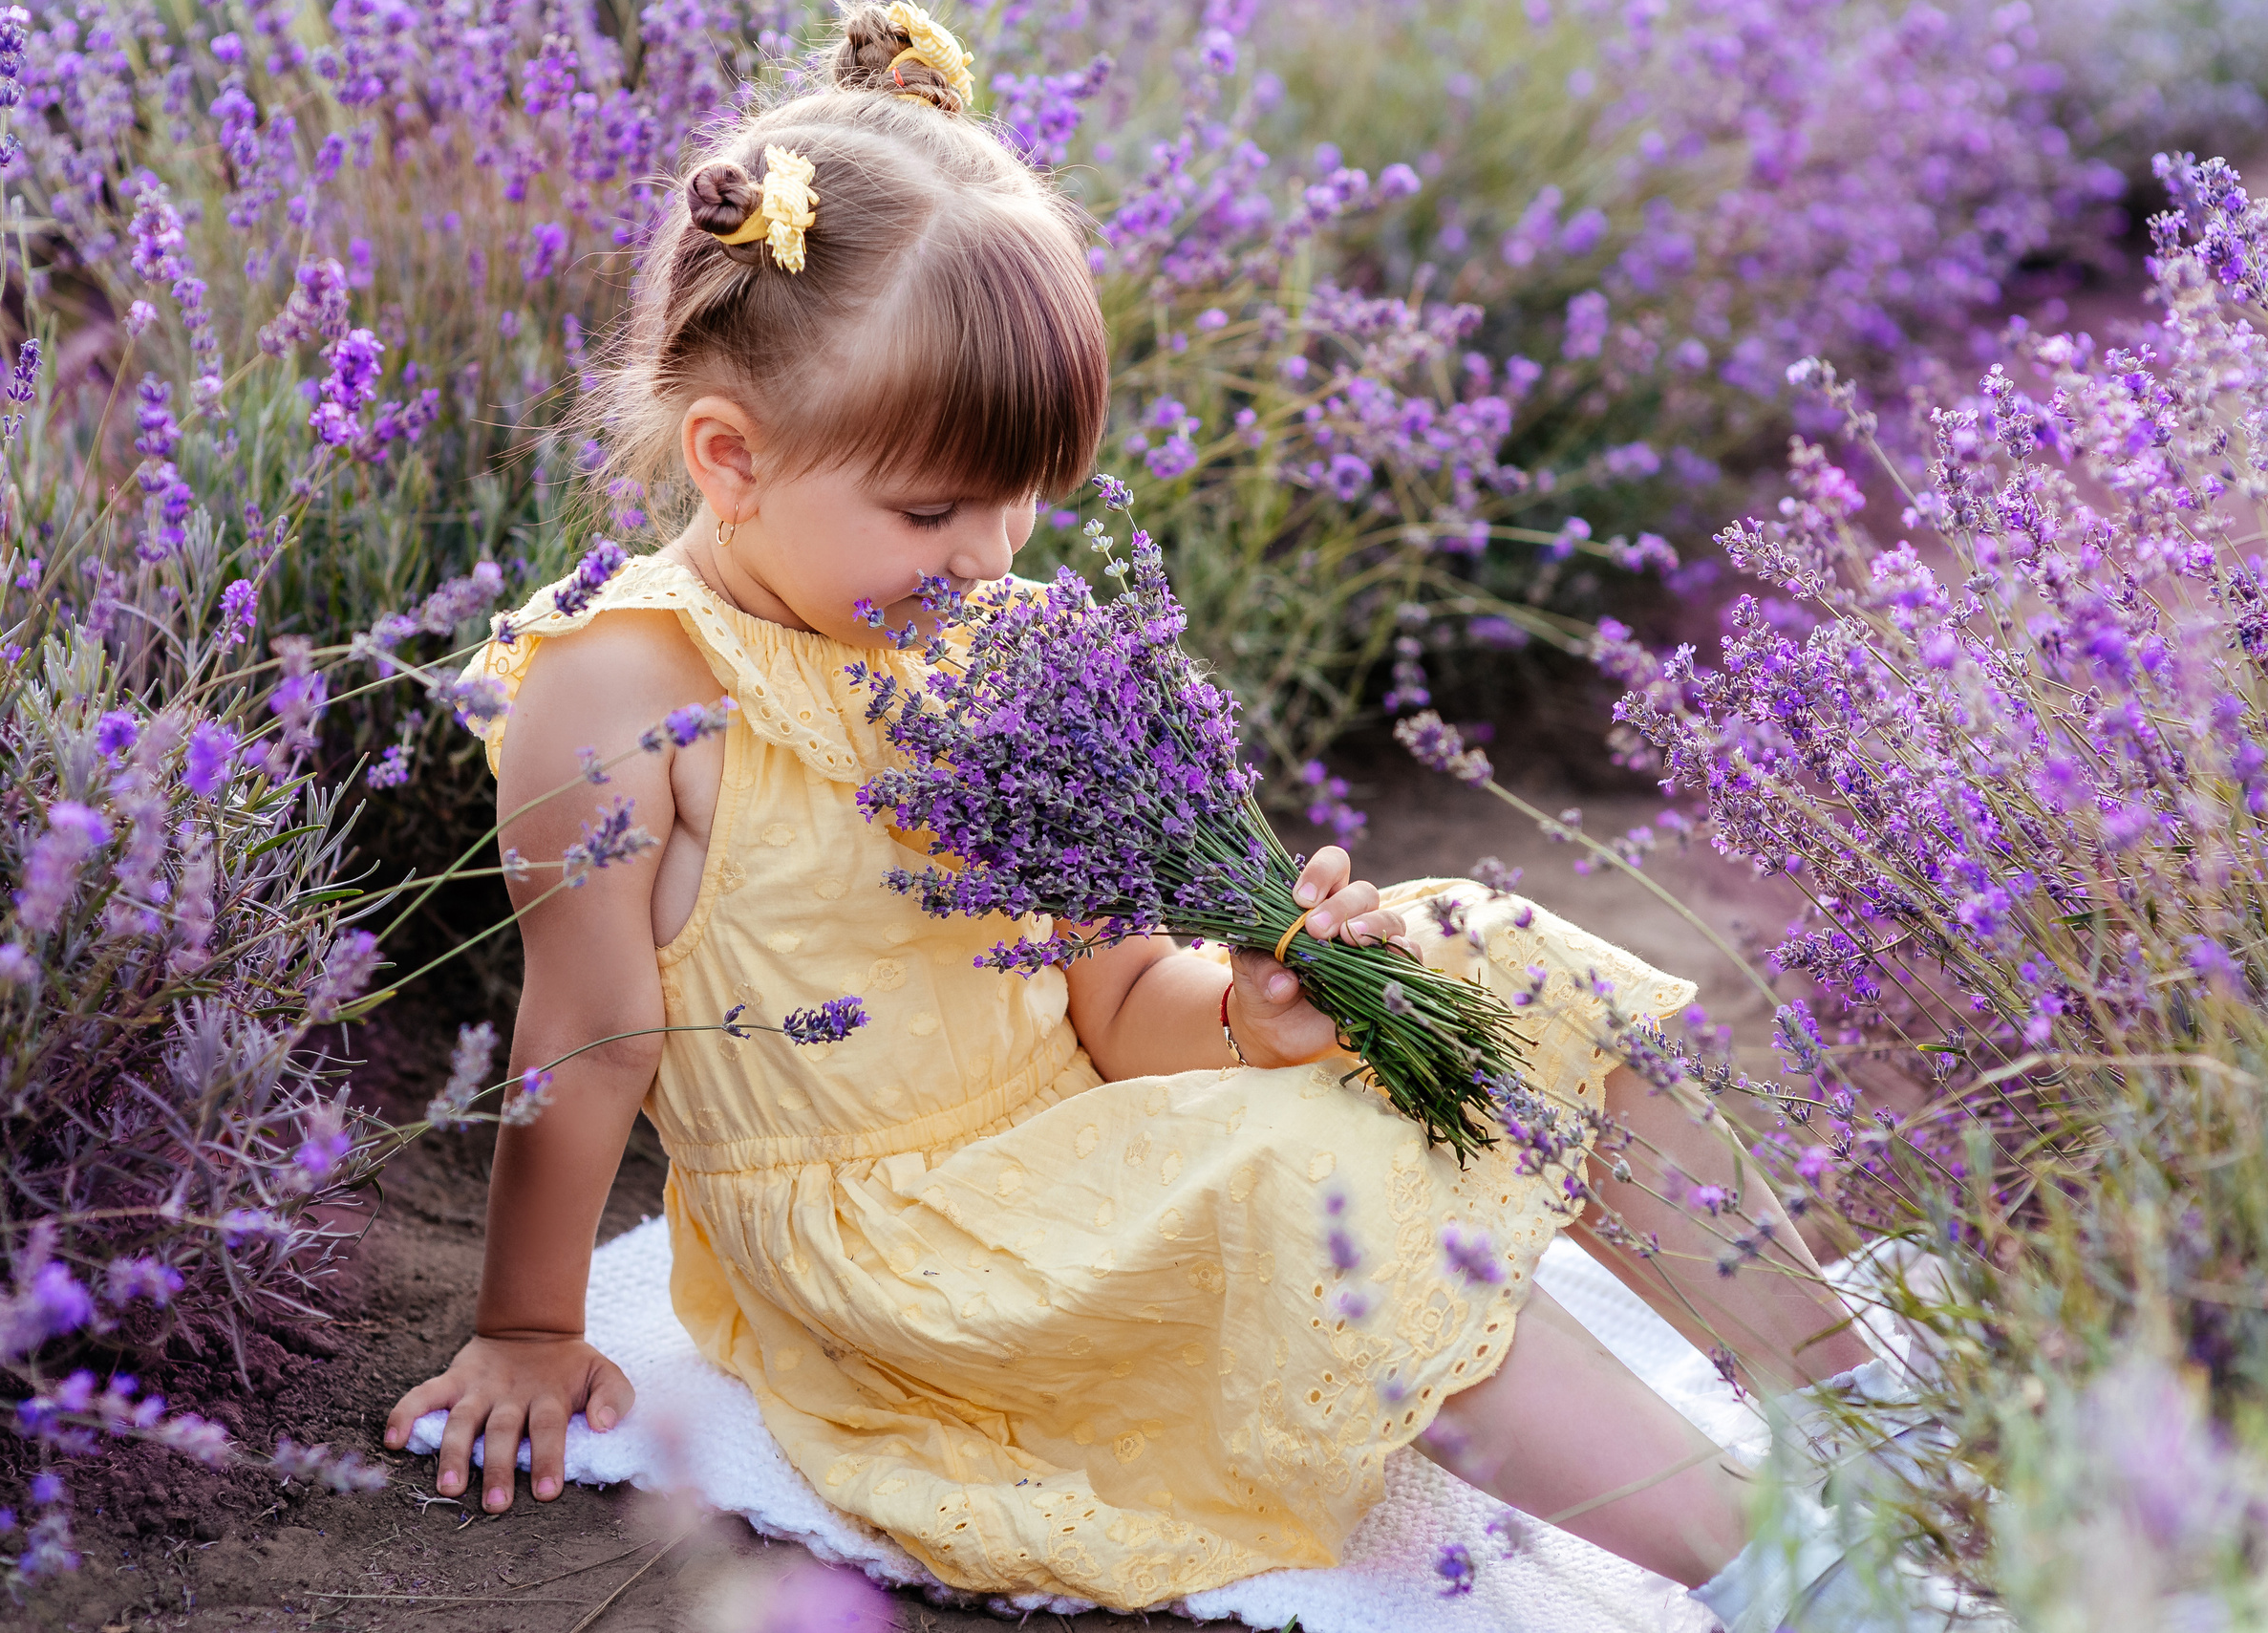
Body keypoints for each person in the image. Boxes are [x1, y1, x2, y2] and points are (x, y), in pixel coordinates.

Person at [385, 8, 1930, 1627]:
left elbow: (1120, 999)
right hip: (917, 1253)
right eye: (932, 508)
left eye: (1023, 496)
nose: (990, 554)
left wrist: (1255, 1013)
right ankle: (1796, 1576)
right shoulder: (624, 684)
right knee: (1306, 1199)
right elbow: (588, 1046)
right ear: (732, 458)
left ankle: (1871, 1415)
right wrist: (531, 1329)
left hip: (1092, 1134)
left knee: (1499, 964)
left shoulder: (1011, 643)